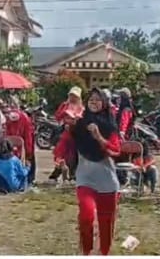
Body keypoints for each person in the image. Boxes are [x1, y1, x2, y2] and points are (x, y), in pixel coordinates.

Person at [54, 88, 121, 255]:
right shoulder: (79, 123)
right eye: (91, 99)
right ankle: (86, 251)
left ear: (104, 103)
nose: (94, 102)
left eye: (98, 99)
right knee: (86, 215)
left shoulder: (110, 125)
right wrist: (60, 158)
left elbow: (116, 150)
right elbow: (65, 141)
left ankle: (104, 252)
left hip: (107, 179)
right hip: (85, 177)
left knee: (106, 222)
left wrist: (99, 137)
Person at [4, 96, 35, 184]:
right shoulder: (24, 117)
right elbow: (28, 136)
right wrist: (29, 152)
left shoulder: (5, 117)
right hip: (21, 148)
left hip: (7, 148)